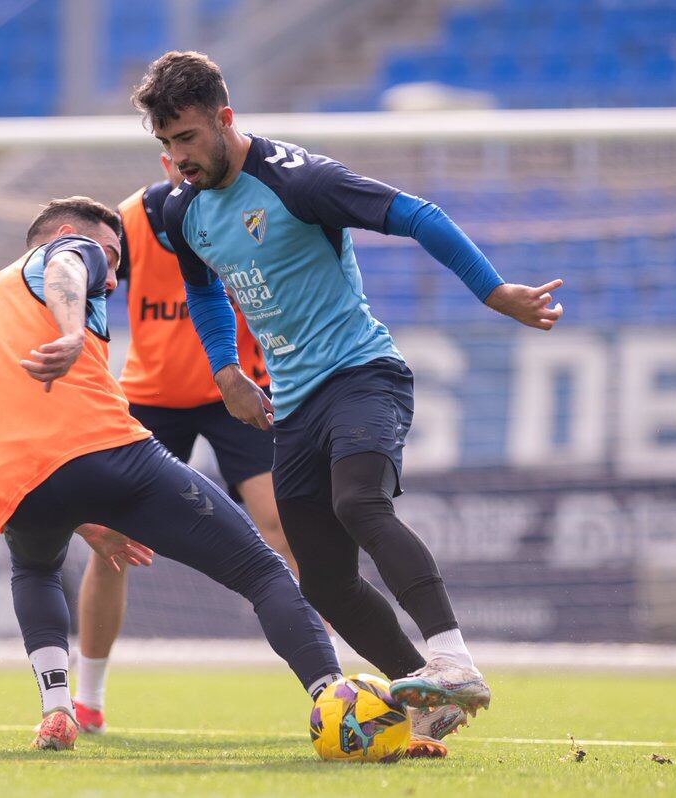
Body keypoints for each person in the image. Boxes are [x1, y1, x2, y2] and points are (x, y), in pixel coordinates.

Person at [133, 51, 565, 721]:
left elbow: (417, 214)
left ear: (224, 117)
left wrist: (493, 290)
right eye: (164, 143)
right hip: (295, 405)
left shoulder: (296, 181)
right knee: (327, 583)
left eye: (186, 137)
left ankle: (452, 658)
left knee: (359, 504)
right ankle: (428, 697)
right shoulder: (185, 214)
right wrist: (226, 371)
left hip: (362, 374)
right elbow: (203, 290)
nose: (178, 156)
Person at [0, 196, 343, 752]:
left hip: (15, 483)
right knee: (264, 571)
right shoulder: (69, 253)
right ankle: (334, 697)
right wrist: (70, 331)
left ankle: (58, 707)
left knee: (35, 571)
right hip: (108, 452)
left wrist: (81, 514)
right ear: (69, 233)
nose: (113, 278)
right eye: (112, 259)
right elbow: (70, 264)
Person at [71, 153, 294, 736]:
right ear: (165, 158)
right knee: (111, 540)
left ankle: (331, 678)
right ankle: (87, 696)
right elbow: (92, 300)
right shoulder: (128, 221)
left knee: (285, 524)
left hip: (237, 388)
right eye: (176, 156)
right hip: (151, 397)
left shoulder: (246, 210)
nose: (188, 168)